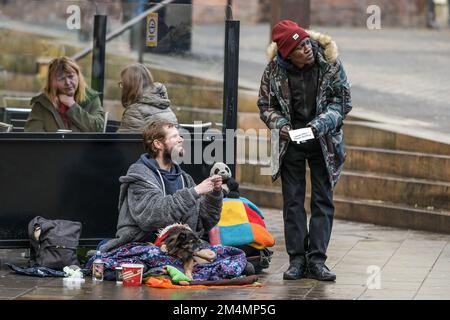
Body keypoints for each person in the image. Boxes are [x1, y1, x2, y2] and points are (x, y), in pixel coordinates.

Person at [257, 20, 352, 281]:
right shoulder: (274, 70)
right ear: (287, 54)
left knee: (323, 200)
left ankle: (317, 260)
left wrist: (319, 125)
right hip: (291, 142)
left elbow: (343, 102)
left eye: (306, 42)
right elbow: (265, 106)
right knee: (293, 202)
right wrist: (283, 127)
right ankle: (297, 260)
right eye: (299, 47)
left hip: (324, 141)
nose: (306, 48)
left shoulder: (330, 62)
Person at [99, 120, 223, 252]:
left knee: (233, 259)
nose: (181, 139)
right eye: (174, 136)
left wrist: (214, 194)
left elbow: (205, 222)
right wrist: (195, 191)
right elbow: (154, 216)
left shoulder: (184, 178)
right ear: (158, 144)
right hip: (143, 244)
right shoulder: (140, 175)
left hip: (181, 246)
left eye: (180, 135)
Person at [25, 56, 105, 132]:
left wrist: (72, 106)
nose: (68, 82)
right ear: (53, 82)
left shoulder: (91, 98)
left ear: (78, 76)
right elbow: (33, 134)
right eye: (61, 78)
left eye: (71, 76)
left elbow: (98, 128)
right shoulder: (43, 103)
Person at [117, 63, 177, 133]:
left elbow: (123, 141)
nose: (122, 87)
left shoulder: (134, 111)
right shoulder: (165, 107)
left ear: (129, 86)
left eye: (123, 84)